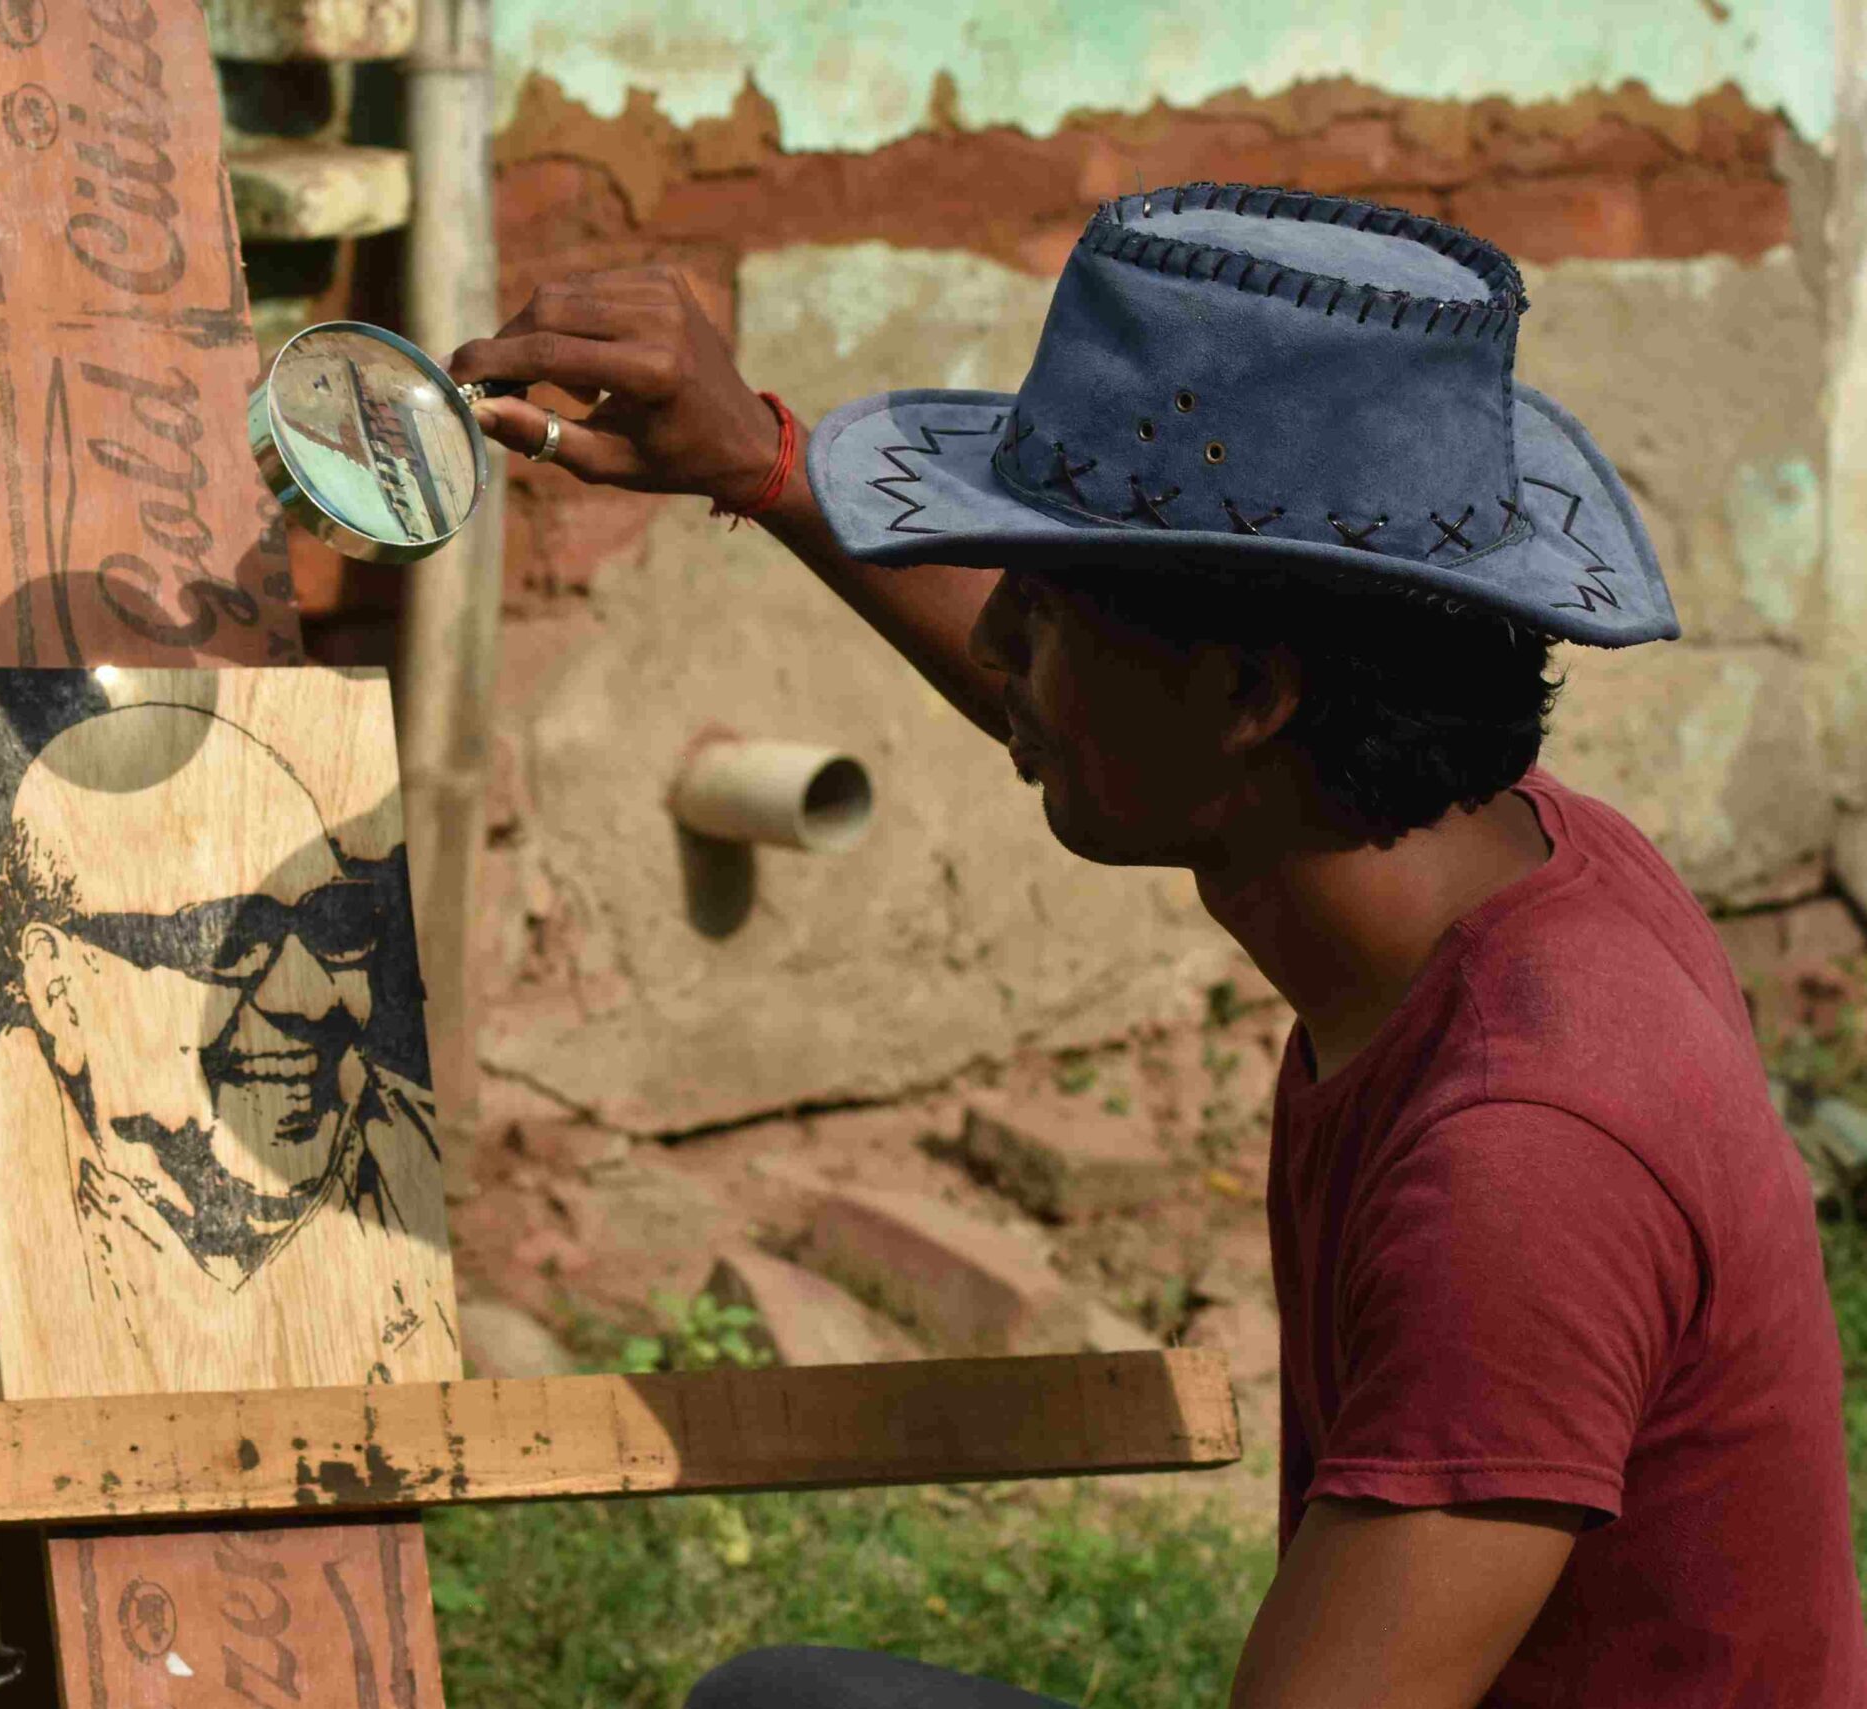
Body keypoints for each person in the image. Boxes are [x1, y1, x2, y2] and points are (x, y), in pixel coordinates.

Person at [450, 184, 1866, 1707]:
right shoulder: (1504, 863)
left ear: (1255, 696)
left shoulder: (1529, 1162)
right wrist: (775, 469)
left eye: (1044, 615)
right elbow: (1094, 720)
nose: (998, 649)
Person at [0, 697, 454, 1395]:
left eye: (336, 921)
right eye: (230, 935)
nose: (312, 996)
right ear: (59, 990)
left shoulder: (411, 1149)